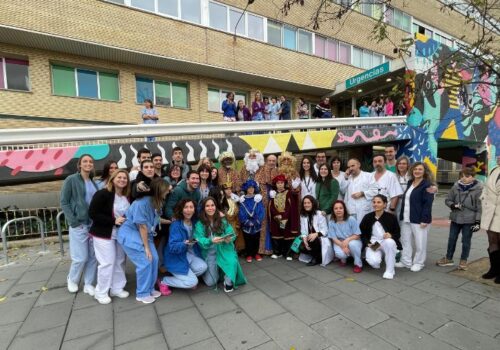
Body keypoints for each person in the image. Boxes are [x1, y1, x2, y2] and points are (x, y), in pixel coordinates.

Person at [117, 178, 169, 304]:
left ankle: (150, 288)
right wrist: (146, 247)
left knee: (155, 259)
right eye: (166, 189)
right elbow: (142, 226)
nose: (168, 191)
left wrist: (170, 221)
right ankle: (142, 293)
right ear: (159, 190)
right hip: (131, 234)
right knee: (145, 261)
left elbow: (155, 219)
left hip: (145, 234)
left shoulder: (157, 202)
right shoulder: (142, 204)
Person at [88, 170, 130, 304]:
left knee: (120, 260)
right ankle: (101, 292)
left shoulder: (125, 196)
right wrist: (113, 221)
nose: (122, 179)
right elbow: (93, 213)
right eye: (119, 177)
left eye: (125, 178)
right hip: (103, 234)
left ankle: (117, 288)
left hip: (120, 234)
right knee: (107, 263)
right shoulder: (102, 193)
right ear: (113, 178)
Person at [61, 154, 99, 295]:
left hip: (93, 225)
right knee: (80, 257)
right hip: (79, 224)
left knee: (92, 257)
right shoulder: (71, 180)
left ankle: (89, 284)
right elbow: (64, 202)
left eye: (90, 161)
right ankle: (72, 279)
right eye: (85, 161)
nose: (88, 163)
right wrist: (74, 222)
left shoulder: (93, 181)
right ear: (80, 164)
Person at [194, 197, 247, 292]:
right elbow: (199, 240)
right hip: (210, 253)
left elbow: (231, 232)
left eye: (212, 205)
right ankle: (217, 270)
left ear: (216, 206)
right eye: (207, 206)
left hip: (224, 249)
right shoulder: (199, 224)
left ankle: (228, 281)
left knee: (231, 261)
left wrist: (229, 238)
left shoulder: (222, 220)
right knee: (211, 282)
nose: (210, 208)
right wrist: (211, 241)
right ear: (203, 208)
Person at [437, 167, 483, 270]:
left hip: (469, 219)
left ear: (473, 177)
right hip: (455, 218)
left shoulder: (478, 189)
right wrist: (453, 205)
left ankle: (463, 261)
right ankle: (448, 258)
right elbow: (447, 200)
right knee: (452, 239)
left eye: (467, 176)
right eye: (462, 176)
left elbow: (480, 207)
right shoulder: (455, 187)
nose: (464, 178)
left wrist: (477, 222)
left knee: (466, 241)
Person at [161, 199, 208, 290]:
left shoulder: (195, 222)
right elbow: (173, 247)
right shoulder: (176, 225)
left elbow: (207, 213)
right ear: (181, 209)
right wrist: (184, 243)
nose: (189, 210)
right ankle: (164, 280)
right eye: (186, 207)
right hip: (176, 258)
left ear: (194, 209)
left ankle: (183, 276)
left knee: (203, 267)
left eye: (191, 207)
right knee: (192, 282)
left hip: (188, 255)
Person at [396, 162, 434, 272]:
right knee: (405, 241)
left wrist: (425, 219)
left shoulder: (428, 185)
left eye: (420, 169)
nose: (417, 171)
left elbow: (428, 203)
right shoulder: (410, 183)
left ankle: (419, 263)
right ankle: (406, 261)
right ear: (412, 171)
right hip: (406, 217)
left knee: (420, 243)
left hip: (419, 219)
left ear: (424, 171)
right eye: (415, 169)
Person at [360, 194, 401, 279]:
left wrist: (391, 235)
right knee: (374, 263)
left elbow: (398, 233)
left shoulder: (391, 217)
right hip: (374, 244)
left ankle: (390, 270)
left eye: (379, 202)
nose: (376, 204)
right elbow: (362, 234)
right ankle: (384, 254)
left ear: (385, 204)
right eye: (374, 202)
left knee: (390, 242)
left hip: (385, 242)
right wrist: (368, 244)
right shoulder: (368, 217)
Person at [268, 174, 300, 260]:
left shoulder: (288, 192)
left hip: (286, 218)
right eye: (278, 183)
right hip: (276, 218)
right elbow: (271, 206)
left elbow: (290, 206)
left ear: (284, 183)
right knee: (277, 235)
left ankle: (288, 253)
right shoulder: (273, 194)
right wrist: (276, 215)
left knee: (287, 235)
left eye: (282, 183)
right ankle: (277, 252)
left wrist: (284, 217)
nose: (280, 184)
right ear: (276, 184)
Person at [328, 200, 363, 273]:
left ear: (344, 209)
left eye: (341, 208)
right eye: (336, 208)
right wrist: (343, 246)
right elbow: (333, 238)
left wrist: (347, 240)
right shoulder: (331, 222)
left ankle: (358, 264)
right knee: (341, 254)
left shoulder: (351, 219)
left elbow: (357, 235)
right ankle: (344, 258)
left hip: (353, 240)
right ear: (333, 210)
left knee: (352, 244)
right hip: (339, 242)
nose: (338, 210)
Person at [481, 157, 500, 283]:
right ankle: (494, 269)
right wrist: (483, 199)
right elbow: (486, 189)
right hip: (490, 213)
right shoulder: (494, 170)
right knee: (492, 242)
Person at [239, 179, 265, 262]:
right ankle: (249, 254)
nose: (251, 189)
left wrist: (257, 221)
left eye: (252, 188)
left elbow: (261, 211)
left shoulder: (257, 199)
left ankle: (256, 253)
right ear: (246, 189)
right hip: (247, 225)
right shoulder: (243, 200)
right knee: (248, 239)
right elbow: (241, 212)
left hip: (256, 224)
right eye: (249, 188)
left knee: (256, 239)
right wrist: (247, 222)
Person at [299, 196, 329, 266]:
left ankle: (317, 258)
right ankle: (311, 253)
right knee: (297, 243)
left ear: (313, 203)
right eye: (305, 203)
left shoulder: (319, 214)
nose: (306, 205)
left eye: (308, 203)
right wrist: (304, 239)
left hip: (319, 238)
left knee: (313, 239)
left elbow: (325, 230)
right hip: (308, 237)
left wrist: (316, 234)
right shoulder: (302, 215)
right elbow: (303, 229)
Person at [344, 158, 371, 225]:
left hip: (363, 210)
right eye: (349, 167)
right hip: (350, 210)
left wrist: (362, 193)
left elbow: (375, 190)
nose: (350, 168)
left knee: (363, 230)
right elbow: (342, 190)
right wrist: (346, 177)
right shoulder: (348, 178)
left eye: (353, 166)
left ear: (359, 165)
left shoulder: (368, 176)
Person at [220, 182, 245, 254]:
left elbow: (237, 212)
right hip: (225, 224)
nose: (229, 190)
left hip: (234, 223)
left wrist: (237, 222)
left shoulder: (234, 200)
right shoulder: (221, 201)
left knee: (233, 240)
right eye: (226, 189)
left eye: (230, 189)